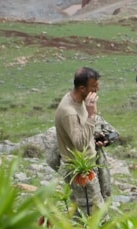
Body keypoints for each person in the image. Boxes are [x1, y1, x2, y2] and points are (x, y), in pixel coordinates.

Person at [53, 67, 111, 216]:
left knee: (86, 210)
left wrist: (96, 138)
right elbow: (79, 143)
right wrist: (92, 115)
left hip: (89, 162)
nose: (97, 89)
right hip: (79, 168)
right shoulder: (69, 112)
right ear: (82, 88)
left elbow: (82, 131)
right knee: (94, 213)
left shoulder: (80, 101)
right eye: (94, 86)